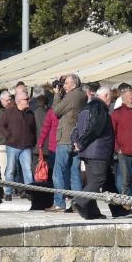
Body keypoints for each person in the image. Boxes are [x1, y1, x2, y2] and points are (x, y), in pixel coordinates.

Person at [72, 84, 115, 219]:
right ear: (106, 96)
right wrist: (82, 143)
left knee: (92, 182)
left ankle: (91, 212)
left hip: (87, 152)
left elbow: (76, 128)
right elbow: (96, 128)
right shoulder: (100, 107)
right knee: (98, 180)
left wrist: (77, 142)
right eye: (111, 98)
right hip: (98, 151)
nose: (111, 102)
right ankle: (79, 200)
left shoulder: (86, 107)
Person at [52, 74, 87, 212]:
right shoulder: (82, 95)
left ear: (73, 85)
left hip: (66, 138)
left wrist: (56, 95)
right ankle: (77, 204)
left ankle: (59, 203)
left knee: (58, 172)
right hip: (77, 139)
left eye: (66, 83)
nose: (64, 86)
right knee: (75, 173)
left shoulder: (71, 96)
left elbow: (56, 111)